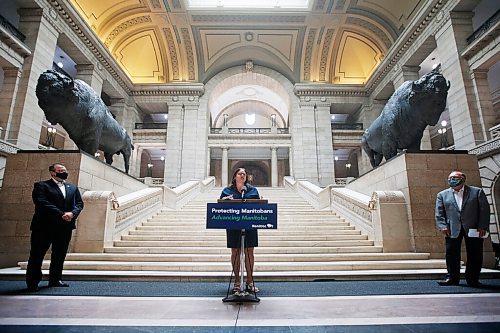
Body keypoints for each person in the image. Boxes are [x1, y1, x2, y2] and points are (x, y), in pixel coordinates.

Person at [26, 163, 84, 291]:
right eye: (60, 170)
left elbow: (79, 203)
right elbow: (41, 202)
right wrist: (61, 214)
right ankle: (33, 282)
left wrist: (72, 213)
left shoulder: (72, 188)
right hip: (43, 227)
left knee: (59, 254)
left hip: (65, 227)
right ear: (52, 172)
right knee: (37, 254)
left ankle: (55, 279)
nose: (64, 172)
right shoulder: (42, 185)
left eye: (65, 170)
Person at [435, 170, 490, 287]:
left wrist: (483, 226)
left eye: (454, 177)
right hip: (452, 229)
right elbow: (439, 213)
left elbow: (484, 211)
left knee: (475, 253)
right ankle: (452, 278)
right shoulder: (442, 195)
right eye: (450, 178)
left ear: (463, 179)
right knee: (451, 254)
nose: (451, 180)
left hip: (474, 228)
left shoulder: (477, 192)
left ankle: (473, 279)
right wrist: (442, 226)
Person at [220, 167, 261, 294]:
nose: (243, 175)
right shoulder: (227, 191)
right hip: (233, 225)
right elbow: (220, 205)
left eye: (244, 173)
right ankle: (237, 282)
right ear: (235, 176)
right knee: (236, 252)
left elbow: (259, 205)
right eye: (240, 173)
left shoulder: (253, 190)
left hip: (250, 225)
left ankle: (249, 281)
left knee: (249, 252)